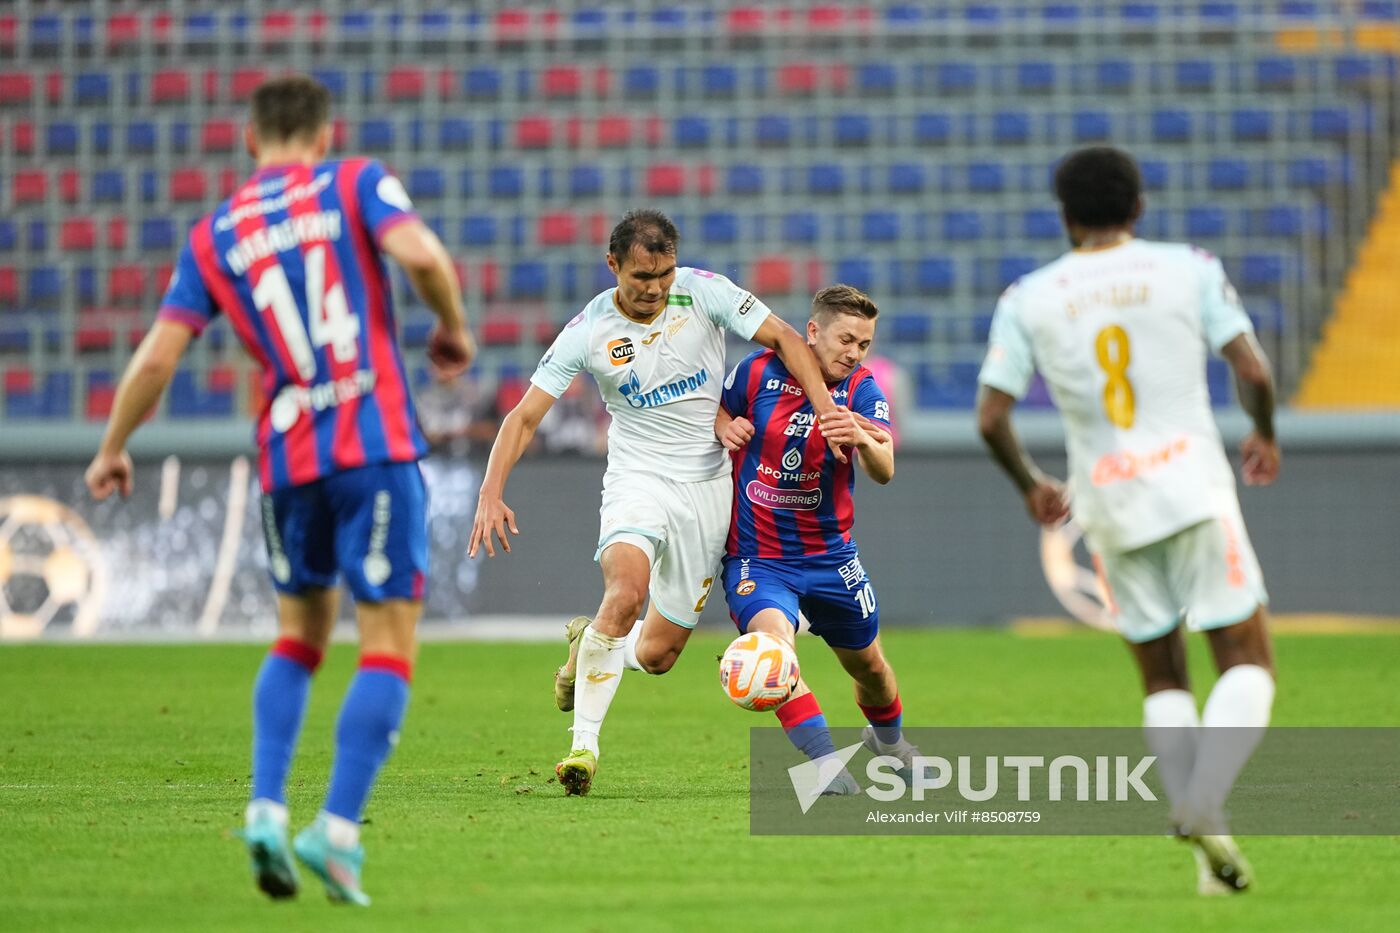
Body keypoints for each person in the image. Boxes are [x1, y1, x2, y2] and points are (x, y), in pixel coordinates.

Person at [84, 75, 475, 906]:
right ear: (325, 135)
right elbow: (423, 255)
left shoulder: (215, 231)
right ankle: (335, 833)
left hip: (287, 460)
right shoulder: (354, 182)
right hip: (372, 446)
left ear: (250, 141)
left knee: (298, 637)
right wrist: (451, 325)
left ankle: (264, 806)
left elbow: (158, 356)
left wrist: (115, 444)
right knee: (385, 646)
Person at [975, 146, 1279, 895]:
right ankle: (1205, 795)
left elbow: (990, 415)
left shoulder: (1030, 296)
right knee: (1246, 657)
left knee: (1160, 669)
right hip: (1194, 486)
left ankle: (1210, 847)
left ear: (1066, 217)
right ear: (1138, 207)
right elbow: (1254, 371)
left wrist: (1032, 485)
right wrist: (1265, 431)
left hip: (1107, 501)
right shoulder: (1189, 268)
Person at [468, 209, 844, 796]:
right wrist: (491, 491)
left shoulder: (705, 293)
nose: (655, 289)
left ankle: (587, 646)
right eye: (642, 276)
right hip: (636, 480)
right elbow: (524, 417)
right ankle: (582, 748)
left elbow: (788, 339)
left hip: (706, 489)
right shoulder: (589, 329)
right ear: (613, 264)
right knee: (625, 593)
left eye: (664, 274)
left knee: (659, 653)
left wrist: (822, 406)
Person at [717, 285, 918, 793]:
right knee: (773, 651)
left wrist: (861, 437)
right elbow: (710, 410)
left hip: (831, 558)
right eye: (846, 339)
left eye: (864, 344)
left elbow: (886, 469)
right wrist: (723, 425)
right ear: (813, 332)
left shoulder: (863, 391)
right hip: (757, 558)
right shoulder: (756, 371)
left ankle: (889, 743)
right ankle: (824, 763)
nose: (853, 353)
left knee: (871, 668)